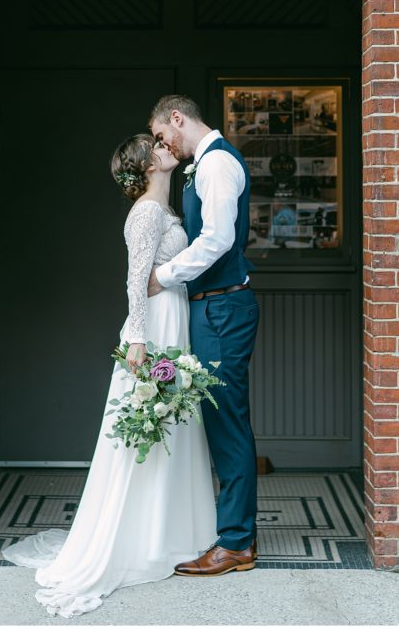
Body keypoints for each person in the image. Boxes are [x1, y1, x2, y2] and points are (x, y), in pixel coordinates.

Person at [1, 134, 216, 617]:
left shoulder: (165, 208)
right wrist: (137, 338)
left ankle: (170, 531)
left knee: (174, 425)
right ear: (146, 165)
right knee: (149, 424)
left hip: (172, 317)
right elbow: (134, 276)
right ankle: (138, 539)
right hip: (154, 324)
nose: (164, 145)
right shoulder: (145, 213)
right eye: (155, 145)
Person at [149, 94, 260, 577]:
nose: (162, 143)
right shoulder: (207, 163)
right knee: (220, 419)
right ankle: (232, 533)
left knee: (226, 421)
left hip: (221, 309)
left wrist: (164, 275)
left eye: (160, 134)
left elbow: (217, 240)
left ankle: (236, 542)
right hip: (213, 308)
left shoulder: (215, 165)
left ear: (177, 119)